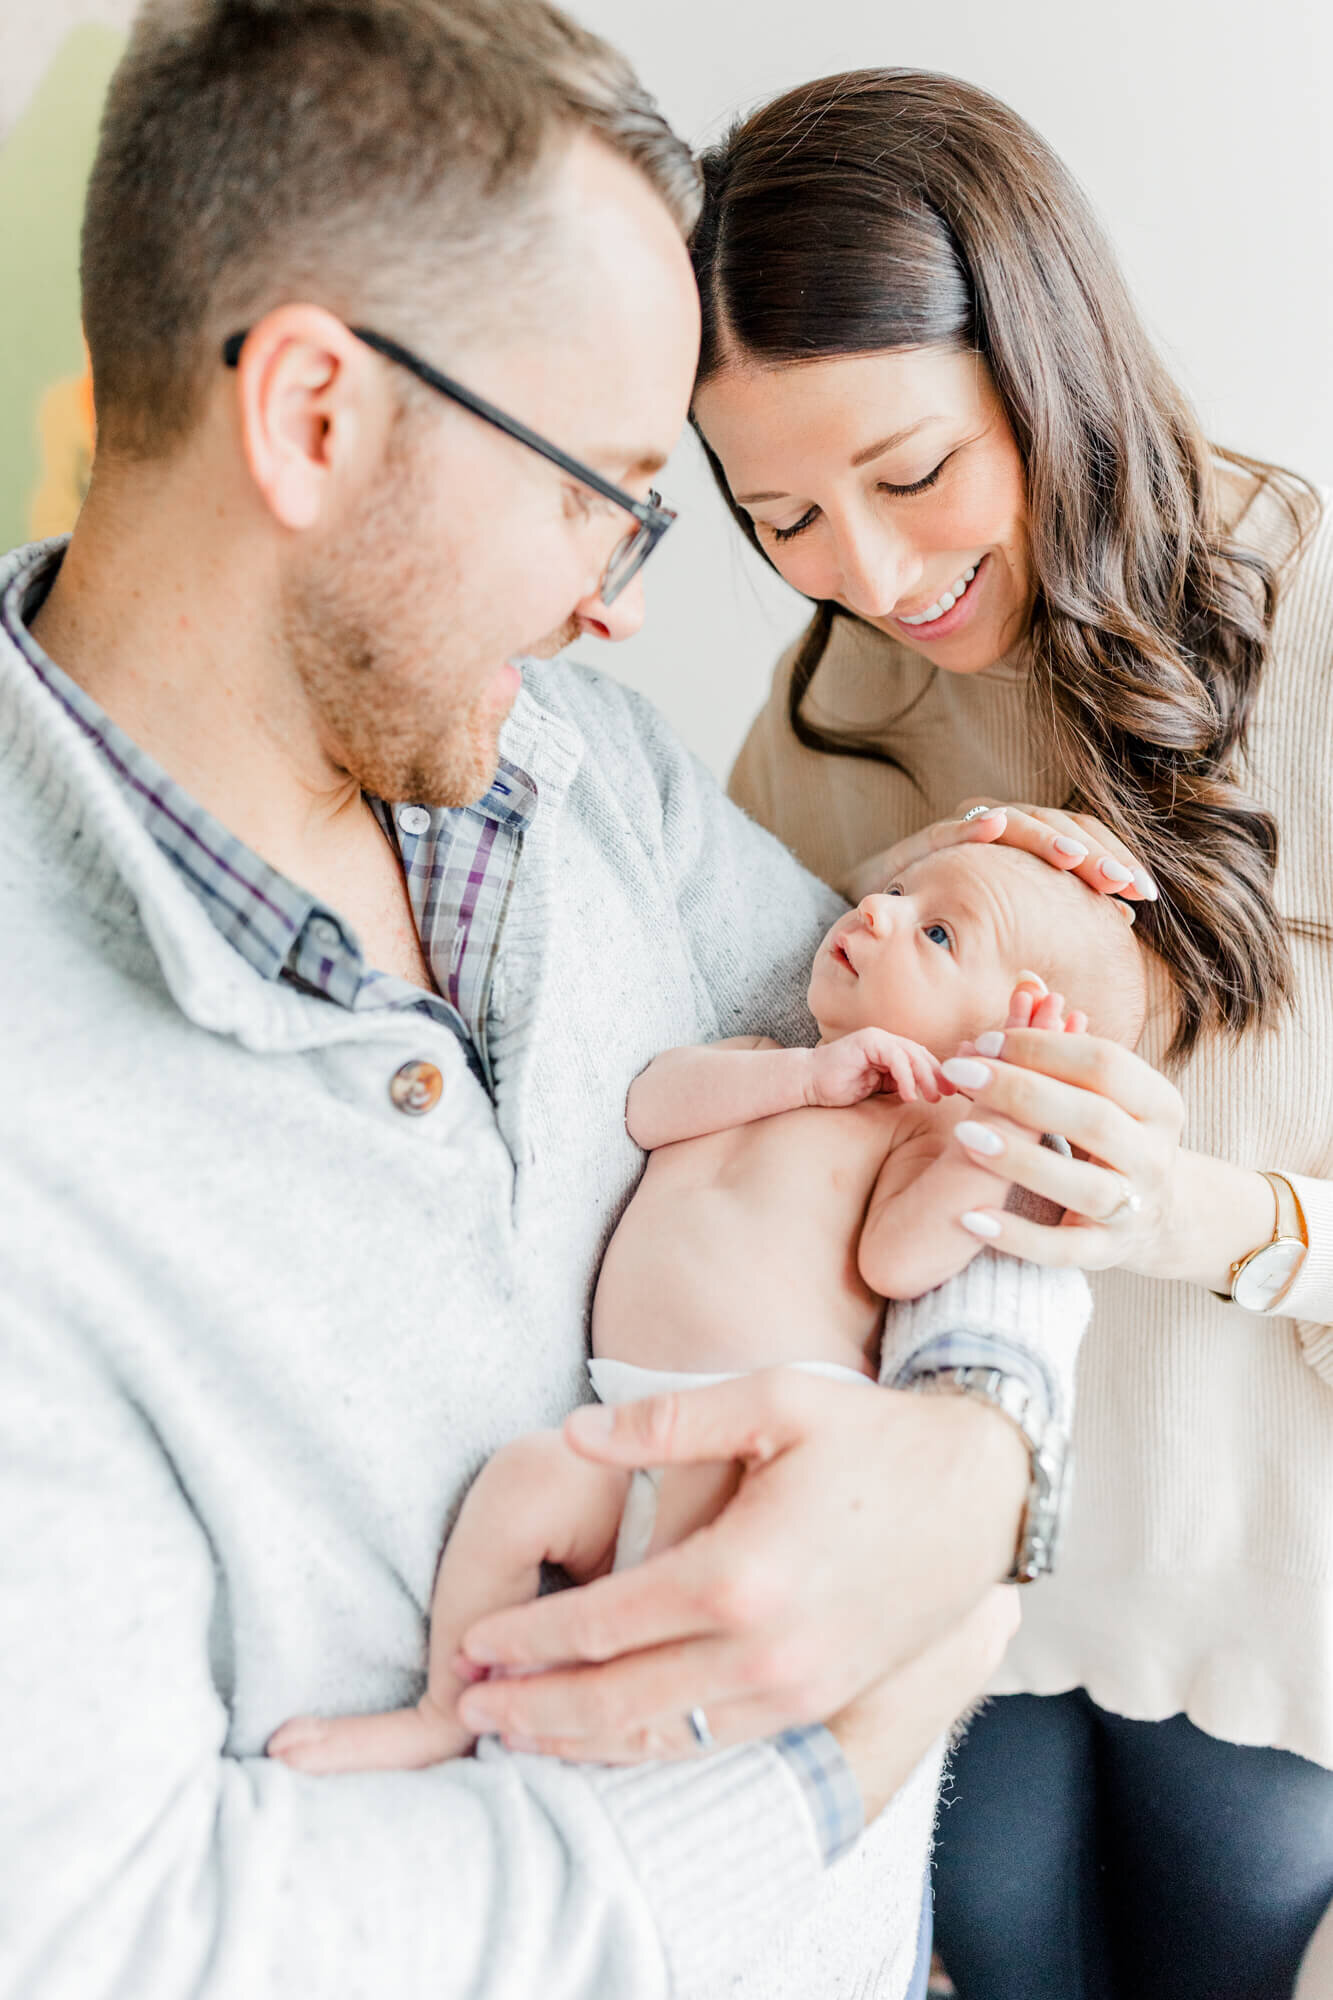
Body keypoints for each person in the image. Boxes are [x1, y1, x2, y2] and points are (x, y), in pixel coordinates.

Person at [0, 11, 1094, 1999]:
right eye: (600, 487)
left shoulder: (575, 766)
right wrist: (815, 1768)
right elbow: (115, 1935)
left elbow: (970, 1093)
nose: (625, 602)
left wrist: (982, 1446)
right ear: (314, 416)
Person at [689, 65, 1333, 2000]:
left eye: (907, 478)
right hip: (961, 1574)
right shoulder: (826, 719)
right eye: (778, 515)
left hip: (1262, 1586)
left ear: (1040, 357)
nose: (869, 578)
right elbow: (751, 1133)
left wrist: (1190, 1216)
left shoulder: (1308, 628)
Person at [265, 845, 1144, 1778]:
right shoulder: (761, 1062)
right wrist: (807, 1078)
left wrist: (991, 1139)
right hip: (626, 1439)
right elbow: (649, 1107)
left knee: (680, 1701)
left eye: (936, 932)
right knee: (522, 1486)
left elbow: (901, 1260)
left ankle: (577, 1765)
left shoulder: (917, 1141)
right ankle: (451, 1706)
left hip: (757, 1469)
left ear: (995, 1044)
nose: (878, 913)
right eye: (892, 890)